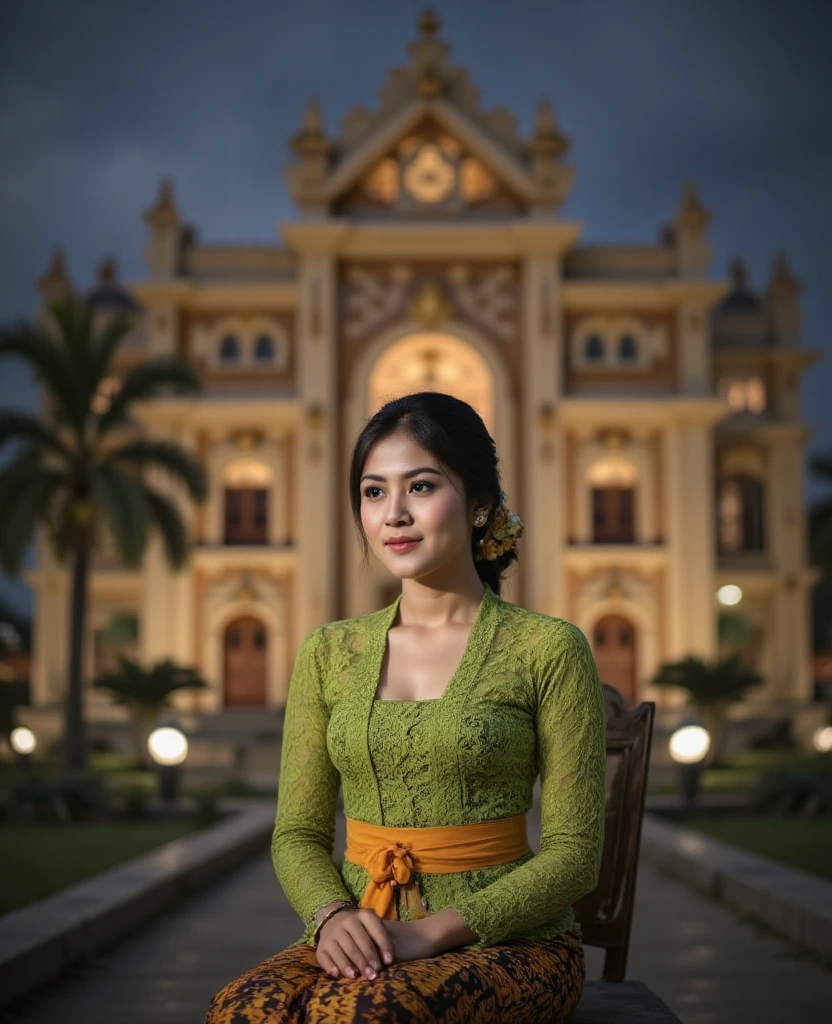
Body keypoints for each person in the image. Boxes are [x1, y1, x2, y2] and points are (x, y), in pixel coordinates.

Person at [205, 391, 606, 1024]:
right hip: (363, 931)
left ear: (479, 505)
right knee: (240, 1010)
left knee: (370, 1014)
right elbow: (299, 835)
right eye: (373, 492)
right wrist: (333, 916)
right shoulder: (329, 652)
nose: (393, 514)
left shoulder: (547, 648)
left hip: (514, 946)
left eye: (420, 487)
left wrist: (430, 933)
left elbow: (575, 853)